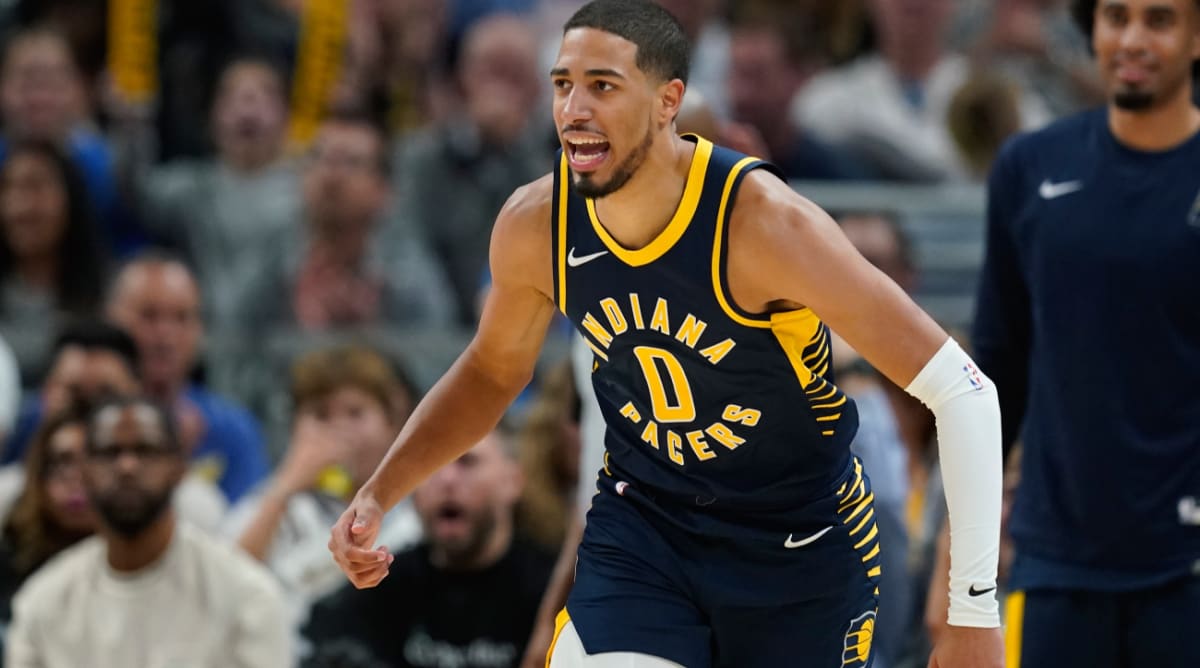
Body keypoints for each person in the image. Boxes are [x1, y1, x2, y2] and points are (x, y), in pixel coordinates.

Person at [329, 2, 1005, 667]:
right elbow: (490, 372)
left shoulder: (765, 225)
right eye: (563, 85)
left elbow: (966, 392)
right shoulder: (537, 223)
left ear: (666, 101)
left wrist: (973, 613)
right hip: (648, 529)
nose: (574, 110)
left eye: (603, 86)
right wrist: (380, 492)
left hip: (795, 544)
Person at [972, 0, 1200, 665]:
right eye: (1115, 17)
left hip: (1187, 566)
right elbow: (994, 372)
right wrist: (958, 558)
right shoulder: (1028, 166)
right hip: (1055, 565)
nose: (1132, 39)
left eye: (1159, 20)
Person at [5, 396, 290, 667]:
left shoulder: (247, 598)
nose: (127, 466)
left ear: (179, 467)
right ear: (85, 471)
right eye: (109, 452)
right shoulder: (43, 603)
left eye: (146, 451)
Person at [305, 429, 554, 667]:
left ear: (512, 480)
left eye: (467, 462)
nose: (447, 479)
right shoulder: (380, 585)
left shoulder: (552, 589)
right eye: (431, 465)